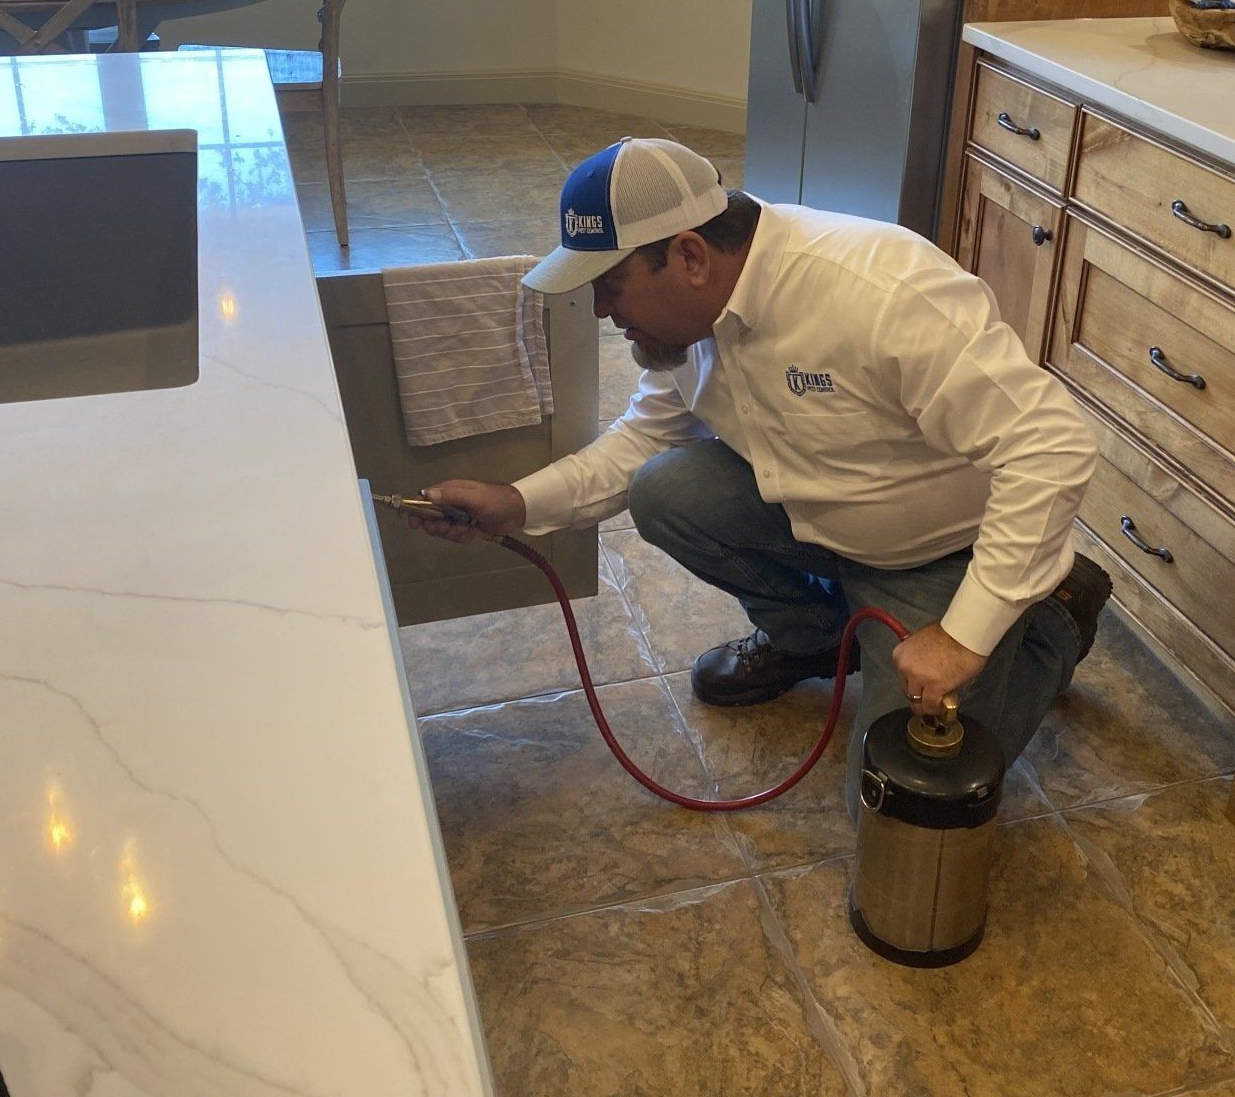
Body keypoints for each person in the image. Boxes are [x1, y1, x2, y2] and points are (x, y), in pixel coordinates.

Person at [416, 136, 1109, 806]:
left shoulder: (881, 290)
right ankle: (816, 641)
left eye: (610, 284)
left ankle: (1052, 620)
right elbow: (643, 442)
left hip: (941, 555)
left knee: (889, 800)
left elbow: (1051, 446)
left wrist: (963, 636)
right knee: (664, 489)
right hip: (823, 521)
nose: (601, 310)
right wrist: (517, 503)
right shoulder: (690, 320)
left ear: (688, 255)